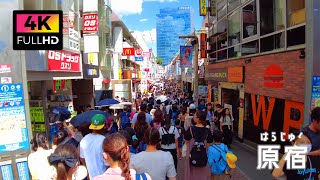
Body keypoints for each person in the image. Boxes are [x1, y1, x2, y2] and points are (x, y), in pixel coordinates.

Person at [184, 111, 213, 180]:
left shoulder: (191, 129)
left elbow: (186, 141)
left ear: (198, 119)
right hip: (203, 154)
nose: (193, 117)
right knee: (203, 171)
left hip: (191, 153)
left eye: (194, 116)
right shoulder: (207, 130)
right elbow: (208, 144)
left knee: (191, 171)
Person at [79, 114, 108, 179]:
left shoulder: (84, 140)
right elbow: (107, 162)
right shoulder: (104, 140)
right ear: (103, 126)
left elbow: (82, 159)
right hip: (103, 176)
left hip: (91, 177)